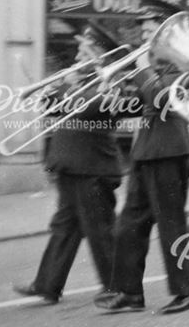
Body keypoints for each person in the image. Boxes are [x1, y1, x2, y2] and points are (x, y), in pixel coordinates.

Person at [96, 0, 189, 315]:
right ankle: (129, 292)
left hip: (169, 151)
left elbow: (162, 99)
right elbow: (142, 103)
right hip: (145, 152)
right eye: (144, 32)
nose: (145, 38)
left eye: (152, 31)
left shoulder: (182, 63)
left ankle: (185, 292)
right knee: (128, 225)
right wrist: (115, 89)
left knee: (171, 226)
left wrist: (139, 71)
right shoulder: (153, 65)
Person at [13, 22, 125, 304]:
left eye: (83, 52)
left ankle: (117, 286)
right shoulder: (79, 82)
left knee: (100, 230)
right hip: (71, 166)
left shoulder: (112, 81)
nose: (77, 58)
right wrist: (47, 92)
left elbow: (92, 106)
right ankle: (47, 285)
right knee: (64, 227)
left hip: (92, 168)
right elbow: (54, 108)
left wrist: (66, 89)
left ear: (99, 54)